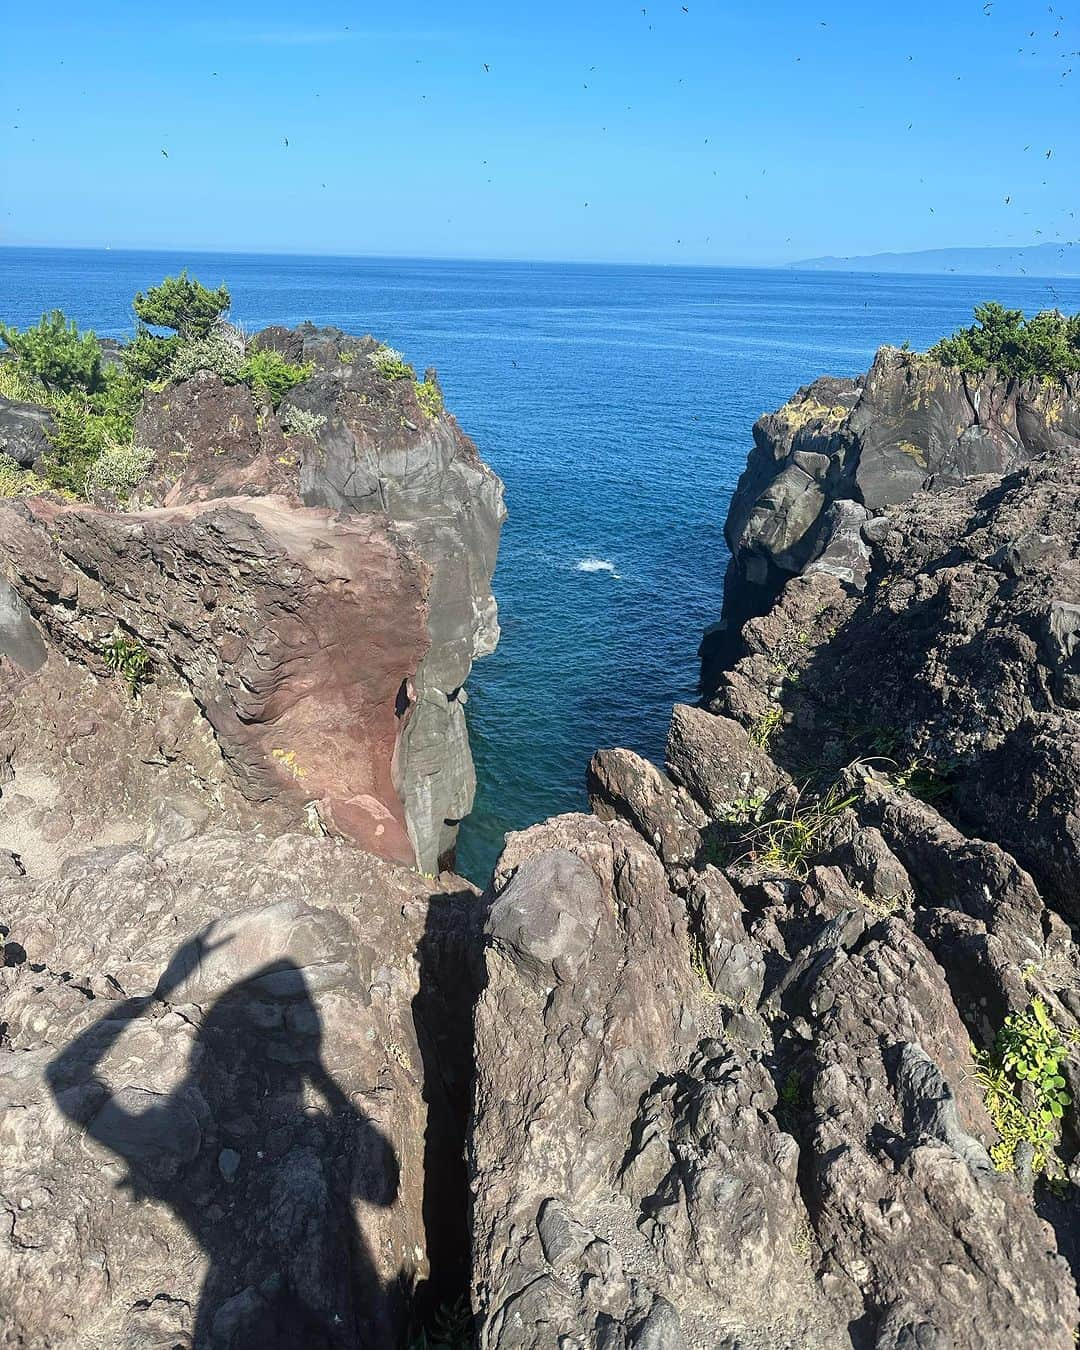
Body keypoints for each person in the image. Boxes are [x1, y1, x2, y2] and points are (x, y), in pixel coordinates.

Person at [47, 931, 400, 1348]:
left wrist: (156, 995)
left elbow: (62, 1076)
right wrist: (327, 1085)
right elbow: (383, 1195)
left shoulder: (164, 1136)